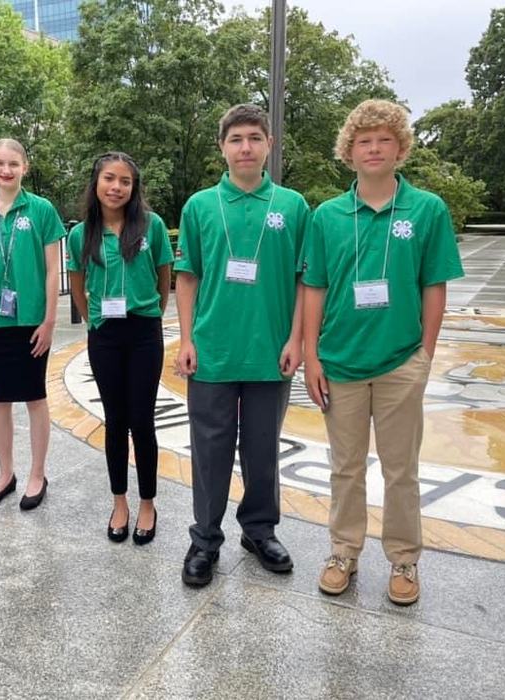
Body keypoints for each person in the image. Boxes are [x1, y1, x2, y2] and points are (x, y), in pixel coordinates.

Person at [301, 99, 464, 605]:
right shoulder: (326, 215)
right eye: (363, 141)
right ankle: (344, 551)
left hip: (399, 362)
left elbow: (434, 285)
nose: (373, 148)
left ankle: (403, 561)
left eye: (384, 140)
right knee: (345, 467)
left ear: (400, 148)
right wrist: (311, 356)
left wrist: (425, 356)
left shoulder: (427, 210)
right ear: (349, 152)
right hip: (341, 363)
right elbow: (314, 288)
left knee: (401, 470)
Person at [175, 104, 310, 586]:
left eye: (255, 137)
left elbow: (303, 279)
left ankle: (259, 530)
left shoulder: (293, 206)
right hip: (212, 351)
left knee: (263, 449)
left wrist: (296, 338)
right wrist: (186, 338)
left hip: (271, 353)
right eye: (236, 139)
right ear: (222, 148)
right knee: (209, 451)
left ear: (270, 144)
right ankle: (204, 539)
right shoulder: (200, 206)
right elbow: (186, 277)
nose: (246, 147)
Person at [67, 152, 173, 544]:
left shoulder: (152, 225)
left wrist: (152, 313)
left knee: (142, 422)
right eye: (109, 179)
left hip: (144, 332)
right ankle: (120, 501)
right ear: (96, 183)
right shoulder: (82, 234)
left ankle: (148, 502)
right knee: (115, 421)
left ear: (134, 187)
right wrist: (92, 318)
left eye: (125, 181)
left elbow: (165, 277)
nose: (116, 187)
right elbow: (77, 284)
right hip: (105, 334)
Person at [0, 138, 65, 511]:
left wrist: (50, 320)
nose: (6, 170)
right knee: (0, 398)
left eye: (14, 164)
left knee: (35, 397)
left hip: (32, 319)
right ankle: (5, 473)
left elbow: (54, 269)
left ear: (25, 167)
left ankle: (37, 473)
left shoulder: (40, 210)